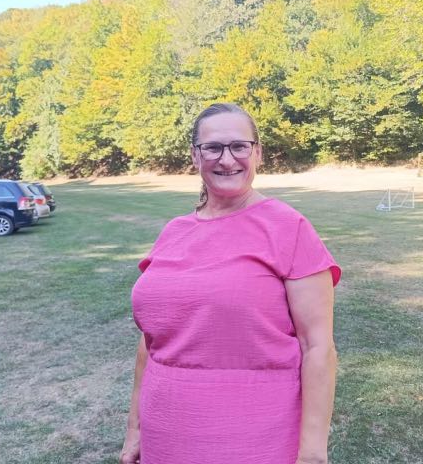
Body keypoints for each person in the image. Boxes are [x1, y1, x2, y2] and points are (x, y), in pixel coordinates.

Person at [120, 103, 341, 464]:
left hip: (253, 441)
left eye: (239, 146)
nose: (227, 159)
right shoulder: (174, 232)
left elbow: (317, 347)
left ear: (258, 153)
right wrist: (136, 428)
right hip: (165, 436)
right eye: (213, 147)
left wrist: (312, 454)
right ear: (195, 155)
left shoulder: (289, 228)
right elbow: (150, 342)